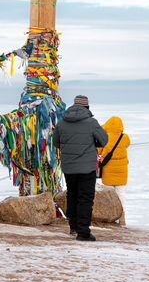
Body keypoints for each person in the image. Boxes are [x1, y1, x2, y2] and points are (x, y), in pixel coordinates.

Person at [53, 95, 108, 241]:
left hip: (69, 166)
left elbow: (56, 143)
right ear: (87, 107)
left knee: (72, 195)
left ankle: (74, 227)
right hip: (87, 167)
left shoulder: (62, 123)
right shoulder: (91, 123)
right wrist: (92, 142)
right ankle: (83, 232)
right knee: (85, 198)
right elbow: (104, 140)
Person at [99, 116, 131, 226]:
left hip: (108, 169)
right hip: (122, 171)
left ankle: (111, 216)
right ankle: (122, 218)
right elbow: (127, 144)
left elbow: (99, 151)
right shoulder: (125, 137)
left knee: (109, 194)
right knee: (121, 194)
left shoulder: (105, 138)